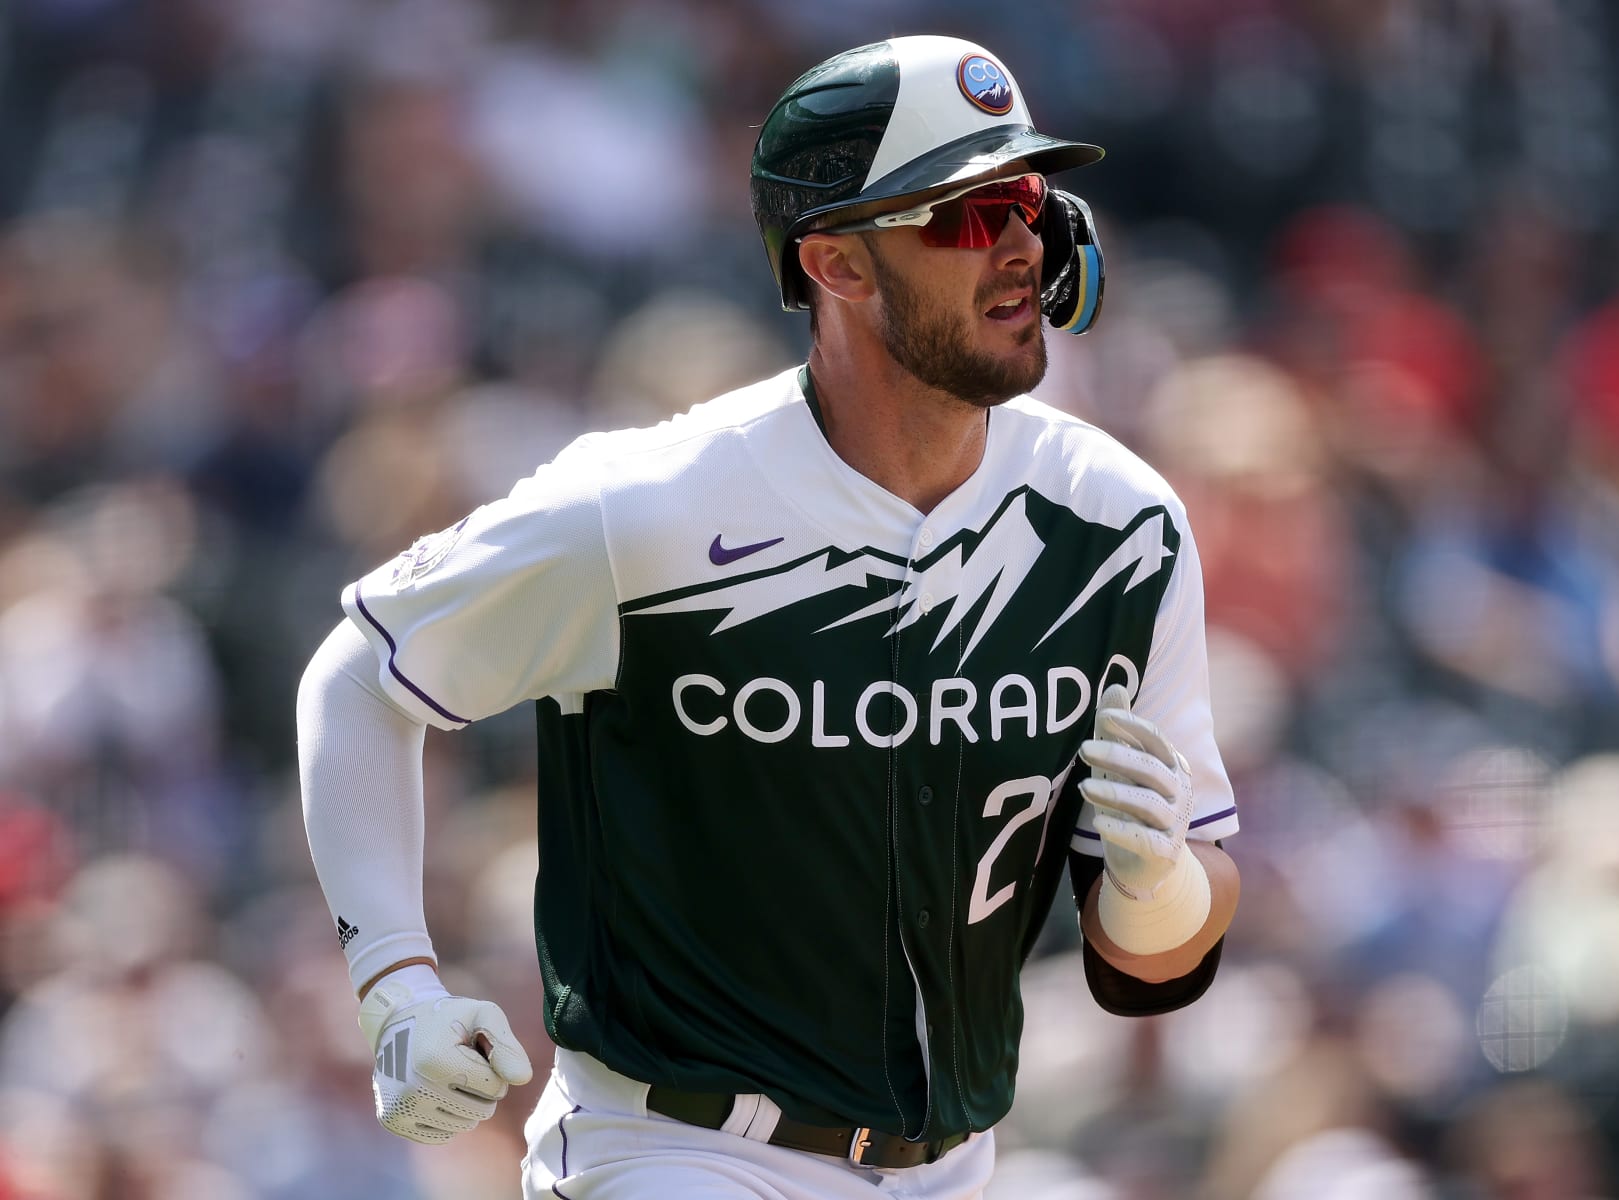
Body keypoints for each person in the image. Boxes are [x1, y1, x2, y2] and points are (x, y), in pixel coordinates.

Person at [297, 34, 1241, 1200]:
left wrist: (1165, 891)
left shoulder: (1118, 521)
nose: (1018, 246)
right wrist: (397, 985)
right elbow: (360, 671)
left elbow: (1153, 965)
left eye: (1031, 200)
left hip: (956, 1167)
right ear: (837, 265)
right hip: (672, 1150)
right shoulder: (647, 504)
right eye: (965, 212)